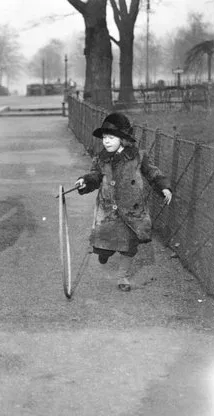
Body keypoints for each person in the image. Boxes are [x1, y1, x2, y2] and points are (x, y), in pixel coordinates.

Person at [74, 112, 172, 292]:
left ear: (123, 139)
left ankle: (123, 278)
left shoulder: (138, 156)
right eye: (104, 137)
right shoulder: (101, 158)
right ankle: (104, 252)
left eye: (111, 137)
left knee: (128, 246)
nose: (106, 141)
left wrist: (163, 186)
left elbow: (152, 172)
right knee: (105, 245)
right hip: (108, 209)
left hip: (132, 210)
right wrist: (84, 181)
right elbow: (95, 175)